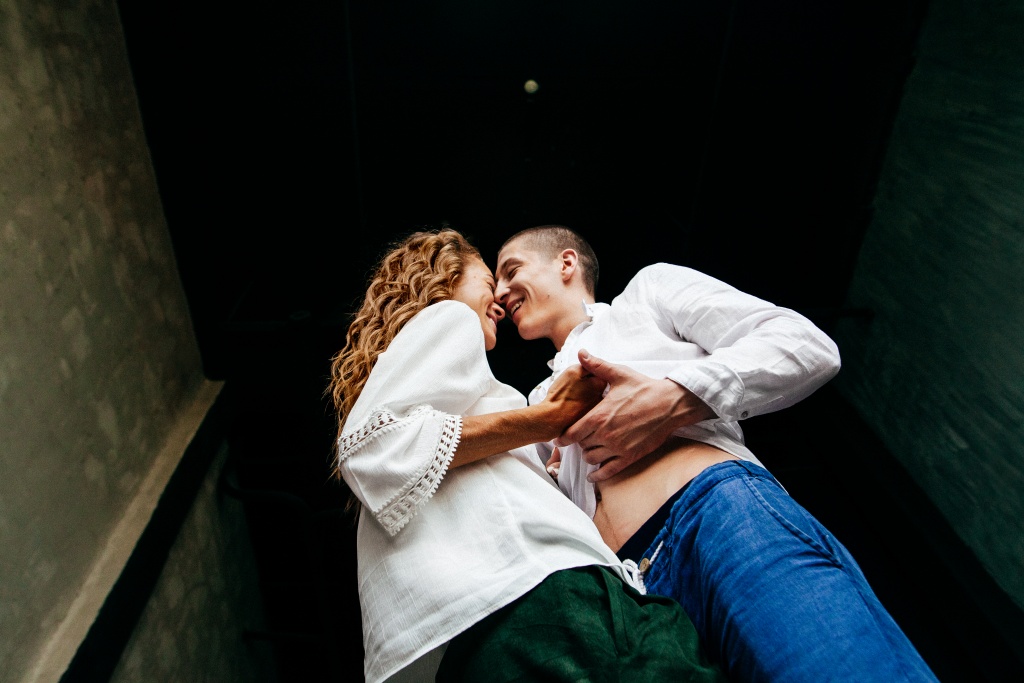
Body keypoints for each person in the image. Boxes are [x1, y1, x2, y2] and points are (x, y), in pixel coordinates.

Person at [494, 224, 939, 682]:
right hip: (633, 600)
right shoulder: (536, 403)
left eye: (511, 270)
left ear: (566, 263)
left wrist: (675, 398)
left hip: (718, 523)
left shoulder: (646, 295)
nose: (501, 293)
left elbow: (804, 344)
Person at [327, 227, 726, 683]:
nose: (499, 299)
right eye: (487, 280)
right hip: (542, 595)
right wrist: (549, 417)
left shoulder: (413, 373)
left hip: (497, 619)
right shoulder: (451, 318)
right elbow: (377, 447)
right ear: (446, 278)